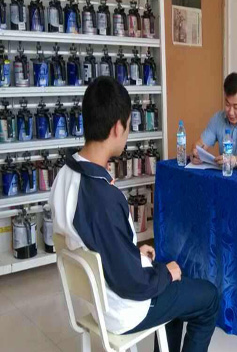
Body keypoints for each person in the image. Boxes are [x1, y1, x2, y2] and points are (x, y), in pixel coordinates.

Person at [51, 78, 219, 352]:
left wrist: (132, 253)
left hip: (95, 299)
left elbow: (94, 243)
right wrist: (164, 274)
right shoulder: (103, 197)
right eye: (128, 126)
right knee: (208, 298)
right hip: (123, 308)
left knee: (175, 286)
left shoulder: (65, 175)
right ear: (118, 127)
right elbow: (131, 283)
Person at [192, 72, 237, 168]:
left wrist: (235, 160)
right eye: (227, 105)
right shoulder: (217, 119)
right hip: (225, 173)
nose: (231, 112)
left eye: (236, 107)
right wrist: (195, 153)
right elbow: (199, 144)